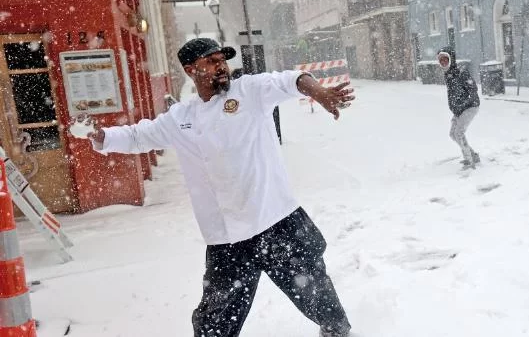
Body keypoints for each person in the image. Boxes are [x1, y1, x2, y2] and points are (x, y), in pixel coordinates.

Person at [87, 38, 355, 337]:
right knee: (215, 324)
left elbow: (290, 80)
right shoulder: (181, 119)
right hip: (226, 239)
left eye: (222, 60)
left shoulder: (249, 91)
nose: (221, 67)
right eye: (211, 61)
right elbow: (139, 136)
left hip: (276, 220)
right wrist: (101, 137)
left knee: (321, 301)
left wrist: (319, 93)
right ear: (191, 70)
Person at [437, 45, 480, 169]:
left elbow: (473, 89)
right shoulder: (448, 75)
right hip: (459, 109)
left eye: (445, 59)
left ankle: (469, 160)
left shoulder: (461, 73)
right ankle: (473, 155)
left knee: (459, 133)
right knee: (452, 134)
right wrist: (456, 107)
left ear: (451, 59)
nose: (443, 62)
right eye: (441, 60)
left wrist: (463, 103)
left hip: (470, 107)